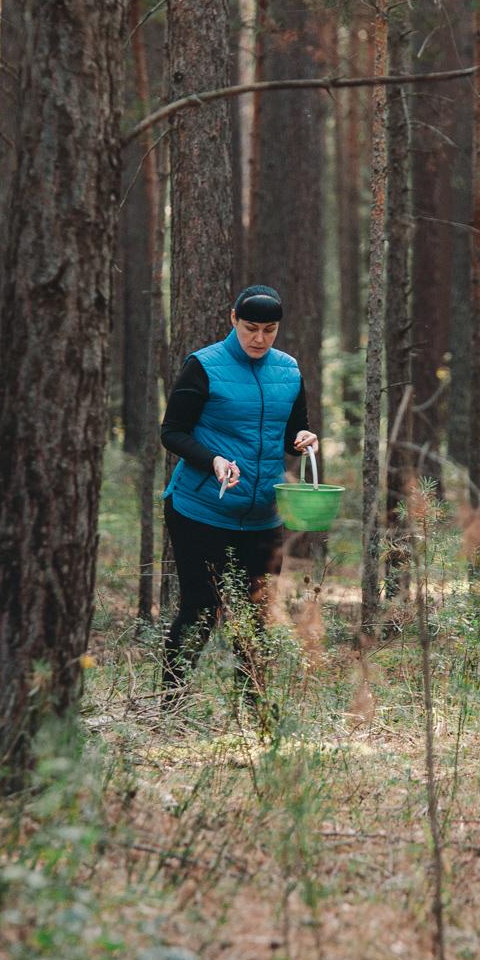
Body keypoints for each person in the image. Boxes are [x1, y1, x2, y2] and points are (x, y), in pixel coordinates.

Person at [158, 285, 319, 711]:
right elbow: (172, 432)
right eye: (251, 328)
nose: (259, 338)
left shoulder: (288, 370)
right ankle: (169, 704)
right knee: (201, 609)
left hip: (263, 515)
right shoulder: (204, 366)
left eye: (269, 330)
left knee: (259, 615)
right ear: (233, 320)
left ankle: (253, 709)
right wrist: (212, 459)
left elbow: (291, 435)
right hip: (201, 509)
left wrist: (303, 440)